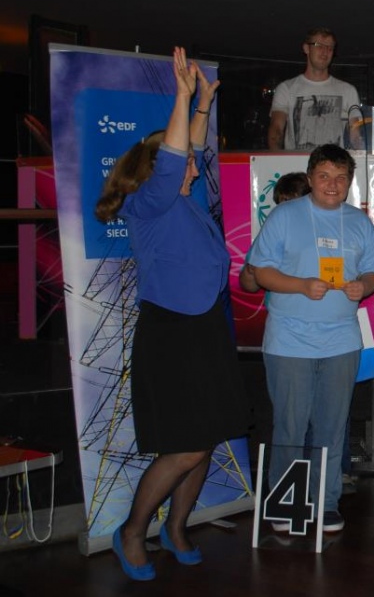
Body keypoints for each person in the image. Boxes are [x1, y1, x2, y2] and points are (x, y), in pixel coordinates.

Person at [94, 47, 249, 581]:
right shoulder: (148, 204)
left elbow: (193, 150)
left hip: (205, 329)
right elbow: (175, 155)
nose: (193, 166)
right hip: (173, 334)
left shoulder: (184, 201)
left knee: (206, 437)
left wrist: (203, 104)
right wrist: (181, 97)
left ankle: (176, 528)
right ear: (158, 169)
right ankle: (132, 531)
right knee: (184, 446)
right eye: (182, 163)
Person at [249, 144, 374, 533]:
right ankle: (284, 502)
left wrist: (363, 286)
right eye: (324, 176)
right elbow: (260, 272)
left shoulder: (358, 221)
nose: (332, 185)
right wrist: (301, 285)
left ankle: (326, 503)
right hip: (289, 339)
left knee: (332, 427)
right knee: (289, 427)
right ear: (310, 178)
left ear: (350, 181)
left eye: (341, 178)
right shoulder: (286, 215)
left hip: (341, 340)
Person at [267, 27, 362, 151]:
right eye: (319, 45)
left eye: (330, 47)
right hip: (297, 162)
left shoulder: (348, 91)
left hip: (335, 162)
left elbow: (356, 136)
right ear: (306, 48)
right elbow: (276, 130)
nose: (325, 51)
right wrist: (276, 159)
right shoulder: (286, 89)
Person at [239, 172, 310, 293]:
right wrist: (250, 272)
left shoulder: (325, 230)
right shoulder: (270, 233)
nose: (289, 209)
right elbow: (249, 286)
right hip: (280, 303)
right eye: (285, 202)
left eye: (295, 203)